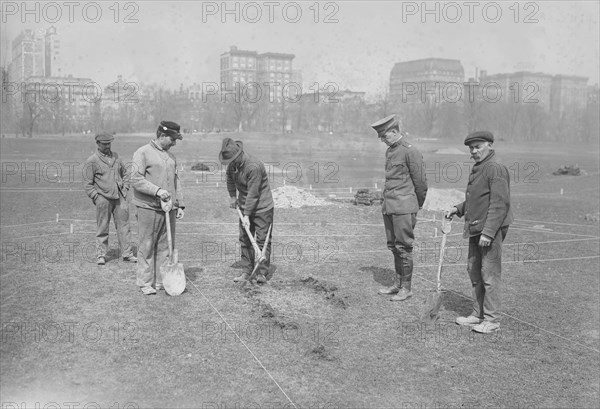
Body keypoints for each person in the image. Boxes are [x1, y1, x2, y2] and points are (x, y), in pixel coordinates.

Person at [445, 130, 513, 334]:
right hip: (476, 226)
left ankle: (492, 320)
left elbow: (500, 204)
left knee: (489, 274)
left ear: (489, 145)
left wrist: (489, 232)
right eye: (471, 148)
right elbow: (477, 199)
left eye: (478, 147)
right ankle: (478, 314)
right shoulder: (480, 167)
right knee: (474, 270)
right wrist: (457, 209)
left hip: (490, 229)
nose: (474, 151)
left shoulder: (495, 168)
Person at [372, 115, 428, 301]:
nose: (382, 140)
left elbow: (420, 184)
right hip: (390, 206)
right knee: (394, 247)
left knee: (404, 247)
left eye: (384, 136)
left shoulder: (410, 151)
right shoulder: (391, 151)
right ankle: (397, 284)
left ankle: (407, 288)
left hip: (404, 207)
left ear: (395, 132)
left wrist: (413, 205)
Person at [130, 121, 185, 295]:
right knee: (146, 245)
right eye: (172, 139)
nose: (174, 143)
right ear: (162, 135)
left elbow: (176, 181)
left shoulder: (171, 157)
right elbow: (136, 179)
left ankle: (161, 280)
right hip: (148, 207)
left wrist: (179, 204)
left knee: (165, 247)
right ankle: (145, 283)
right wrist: (157, 191)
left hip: (168, 209)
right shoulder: (142, 153)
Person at [219, 138, 274, 284]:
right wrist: (232, 196)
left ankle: (261, 273)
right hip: (245, 206)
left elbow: (253, 193)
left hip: (263, 208)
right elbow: (230, 179)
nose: (231, 163)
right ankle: (247, 271)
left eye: (233, 159)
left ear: (240, 154)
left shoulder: (253, 166)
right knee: (245, 240)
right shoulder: (233, 165)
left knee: (262, 240)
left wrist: (247, 215)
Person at [84, 132, 136, 265]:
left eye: (109, 143)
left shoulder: (116, 157)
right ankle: (101, 255)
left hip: (120, 197)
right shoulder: (92, 161)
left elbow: (125, 173)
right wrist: (97, 197)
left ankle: (127, 253)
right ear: (98, 144)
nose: (107, 146)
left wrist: (125, 187)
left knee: (124, 226)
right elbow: (88, 184)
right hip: (103, 199)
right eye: (104, 144)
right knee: (102, 227)